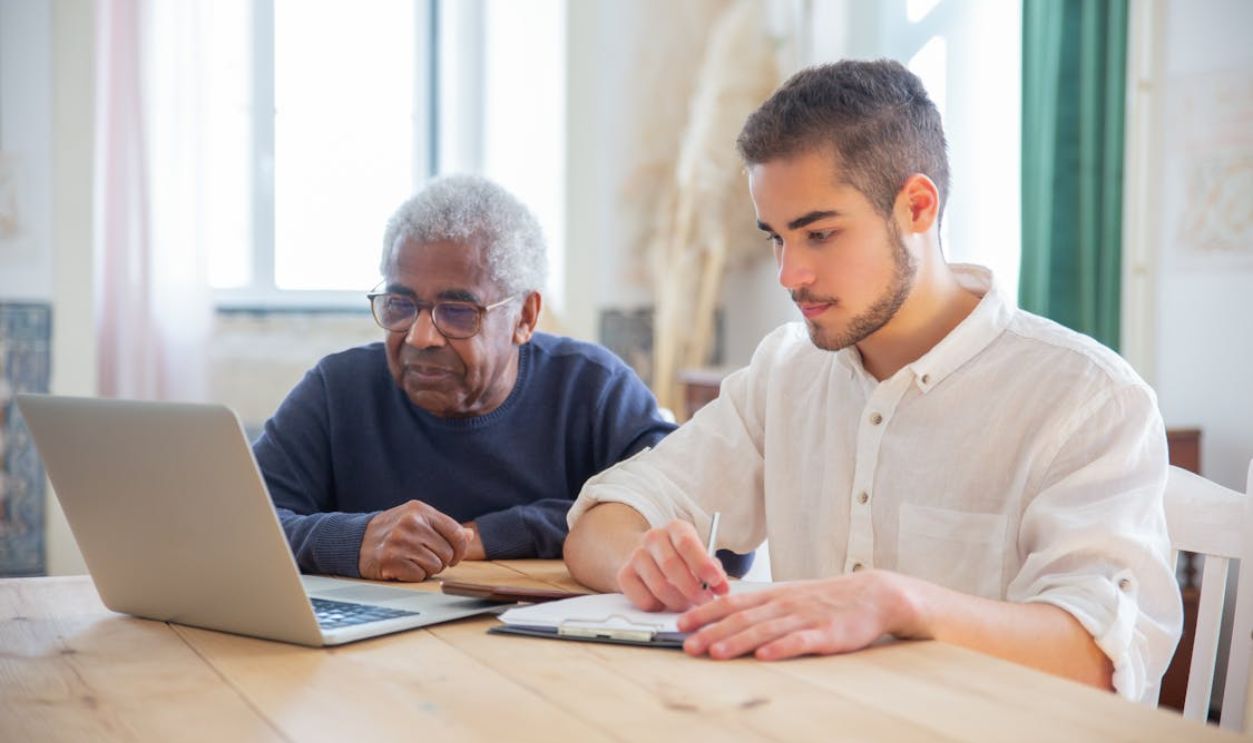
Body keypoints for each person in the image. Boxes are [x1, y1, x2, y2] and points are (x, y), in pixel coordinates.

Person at [563, 60, 1181, 702]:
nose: (789, 274)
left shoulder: (1087, 397)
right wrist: (641, 560)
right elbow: (600, 525)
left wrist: (899, 603)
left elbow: (1097, 660)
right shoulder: (785, 369)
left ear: (917, 206)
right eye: (776, 237)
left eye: (820, 234)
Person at [253, 175, 678, 583]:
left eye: (457, 312)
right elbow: (234, 523)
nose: (420, 336)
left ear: (525, 317)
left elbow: (695, 520)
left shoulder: (593, 390)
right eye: (400, 304)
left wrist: (490, 536)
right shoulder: (338, 390)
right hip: (368, 647)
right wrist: (355, 541)